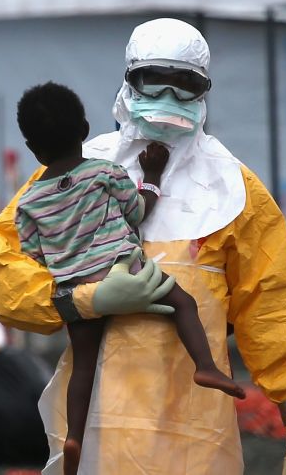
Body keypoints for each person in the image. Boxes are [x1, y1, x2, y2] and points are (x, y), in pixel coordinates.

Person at [0, 18, 286, 475]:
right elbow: (9, 275)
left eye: (184, 85)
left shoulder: (234, 189)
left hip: (195, 436)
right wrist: (85, 301)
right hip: (98, 431)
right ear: (130, 80)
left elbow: (272, 308)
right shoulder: (79, 167)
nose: (168, 99)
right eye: (155, 81)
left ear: (204, 89)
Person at [12, 82, 245, 475]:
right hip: (124, 269)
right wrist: (152, 174)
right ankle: (205, 365)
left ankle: (74, 437)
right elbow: (138, 211)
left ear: (33, 147)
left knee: (83, 365)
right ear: (84, 129)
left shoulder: (29, 201)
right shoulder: (104, 172)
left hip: (76, 287)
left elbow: (31, 249)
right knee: (182, 303)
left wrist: (68, 258)